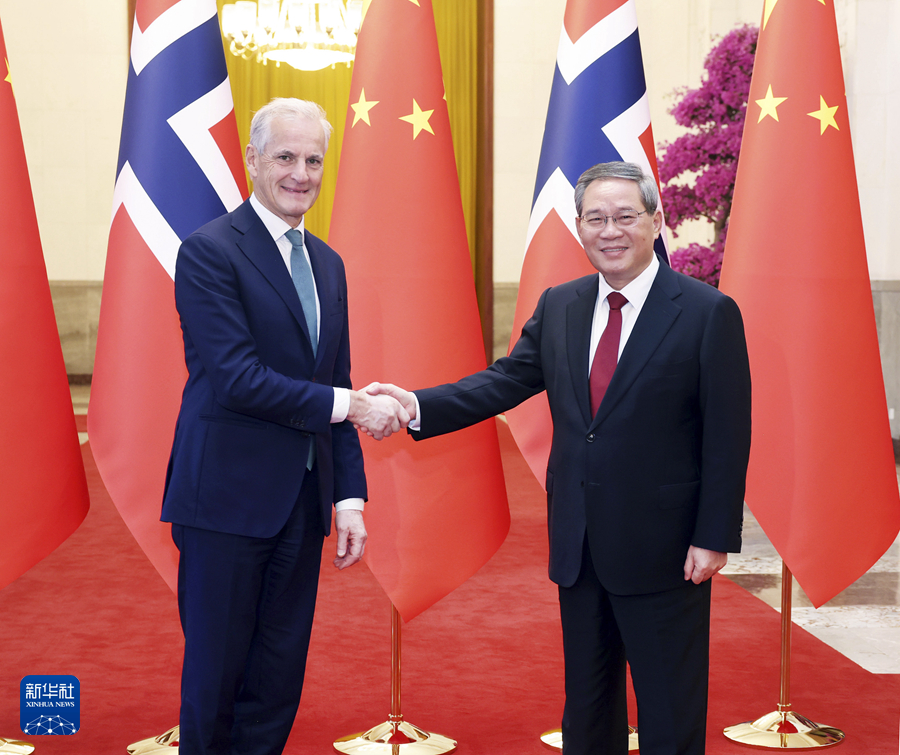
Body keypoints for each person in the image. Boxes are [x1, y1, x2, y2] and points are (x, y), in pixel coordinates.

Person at [365, 162, 751, 755]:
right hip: (580, 543)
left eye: (625, 216)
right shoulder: (561, 304)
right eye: (595, 218)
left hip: (666, 549)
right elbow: (504, 381)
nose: (610, 231)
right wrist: (414, 404)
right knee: (587, 709)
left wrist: (713, 535)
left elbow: (727, 435)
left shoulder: (706, 312)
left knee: (669, 711)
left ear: (656, 221)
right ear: (579, 228)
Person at [161, 98, 409, 755]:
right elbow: (238, 379)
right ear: (252, 161)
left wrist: (348, 497)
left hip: (301, 505)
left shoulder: (328, 263)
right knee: (216, 676)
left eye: (314, 160)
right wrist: (352, 405)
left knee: (277, 678)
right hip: (225, 501)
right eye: (286, 157)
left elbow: (337, 374)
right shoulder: (210, 252)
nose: (301, 173)